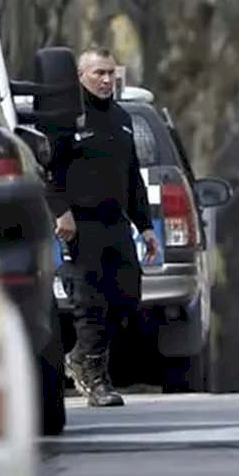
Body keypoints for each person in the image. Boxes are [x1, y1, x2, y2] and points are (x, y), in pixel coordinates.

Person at [46, 46, 157, 407]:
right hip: (81, 226)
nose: (107, 80)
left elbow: (133, 178)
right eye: (98, 73)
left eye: (111, 73)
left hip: (116, 225)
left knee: (126, 297)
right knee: (89, 303)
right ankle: (95, 379)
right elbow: (48, 170)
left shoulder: (123, 119)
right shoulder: (66, 118)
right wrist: (60, 211)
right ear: (80, 76)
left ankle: (81, 359)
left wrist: (146, 227)